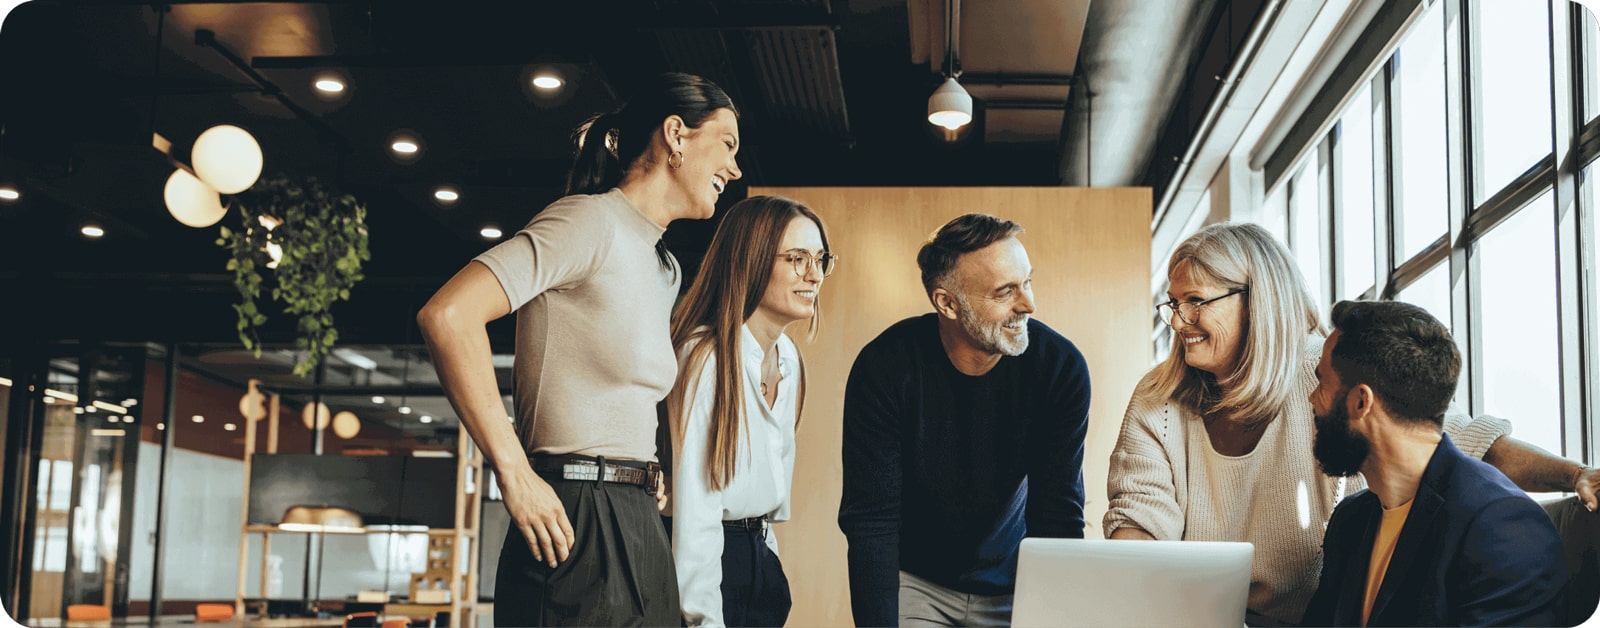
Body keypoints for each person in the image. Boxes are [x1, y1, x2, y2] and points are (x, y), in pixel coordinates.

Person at [1105, 222, 1595, 626]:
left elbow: (1455, 443)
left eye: (1195, 301)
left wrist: (1576, 474)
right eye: (1173, 303)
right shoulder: (1160, 400)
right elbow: (1138, 524)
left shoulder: (1328, 372)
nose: (1178, 320)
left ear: (1257, 300)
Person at [416, 72, 742, 626]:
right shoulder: (588, 221)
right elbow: (448, 317)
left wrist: (642, 468)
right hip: (573, 516)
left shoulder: (665, 266)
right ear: (676, 136)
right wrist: (514, 473)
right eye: (728, 144)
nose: (734, 169)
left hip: (636, 514)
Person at [839, 214, 1091, 627]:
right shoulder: (885, 368)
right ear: (948, 303)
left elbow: (1057, 514)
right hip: (917, 581)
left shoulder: (1060, 369)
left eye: (1027, 282)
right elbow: (871, 521)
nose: (1028, 303)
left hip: (1016, 580)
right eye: (1005, 291)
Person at [1301, 300, 1565, 626]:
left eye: (1322, 382)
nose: (1312, 398)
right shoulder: (1351, 521)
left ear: (1360, 402)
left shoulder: (1502, 526)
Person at [663, 195, 836, 627]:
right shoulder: (706, 357)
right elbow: (696, 512)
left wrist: (770, 563)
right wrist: (704, 619)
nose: (814, 275)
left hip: (757, 558)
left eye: (820, 259)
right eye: (797, 259)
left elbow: (766, 496)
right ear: (751, 260)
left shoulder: (789, 358)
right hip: (707, 567)